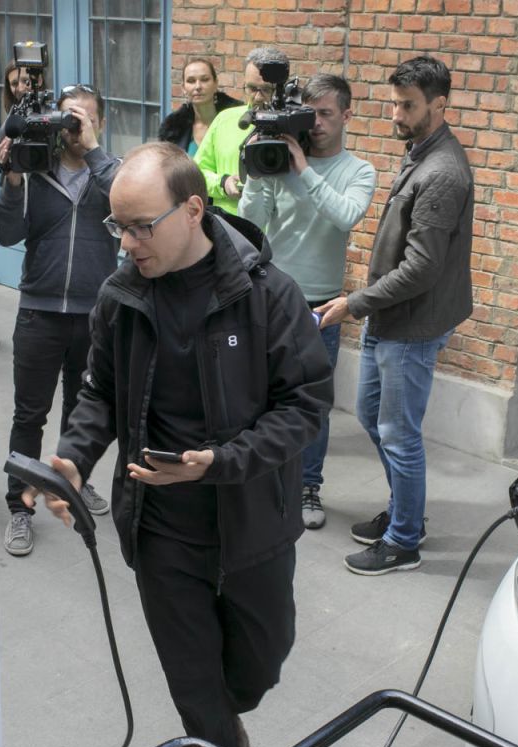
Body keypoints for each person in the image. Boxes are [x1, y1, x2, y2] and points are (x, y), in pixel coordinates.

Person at [25, 141, 332, 747]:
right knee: (196, 689)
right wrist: (74, 458)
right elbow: (99, 391)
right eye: (118, 226)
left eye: (141, 226)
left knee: (257, 670)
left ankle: (226, 729)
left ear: (193, 210)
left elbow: (305, 406)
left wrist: (221, 462)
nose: (126, 243)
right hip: (160, 530)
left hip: (253, 527)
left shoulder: (270, 296)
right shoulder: (120, 297)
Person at [317, 56, 474, 576]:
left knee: (399, 434)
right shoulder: (421, 153)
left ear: (439, 104)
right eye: (394, 103)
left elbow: (423, 268)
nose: (396, 114)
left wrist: (355, 303)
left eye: (407, 106)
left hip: (411, 326)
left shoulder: (442, 172)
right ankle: (405, 513)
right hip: (390, 317)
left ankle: (404, 540)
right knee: (372, 416)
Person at [239, 73, 376, 530]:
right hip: (272, 295)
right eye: (309, 114)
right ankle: (260, 479)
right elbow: (252, 223)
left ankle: (307, 485)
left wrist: (303, 169)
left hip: (321, 307)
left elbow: (345, 216)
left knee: (312, 403)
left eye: (325, 114)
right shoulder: (279, 161)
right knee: (258, 394)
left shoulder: (359, 171)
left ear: (346, 115)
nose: (315, 123)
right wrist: (258, 172)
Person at [0, 84, 119, 556]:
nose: (74, 128)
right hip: (39, 313)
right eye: (68, 118)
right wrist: (12, 180)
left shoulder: (112, 173)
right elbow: (6, 233)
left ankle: (73, 482)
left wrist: (94, 152)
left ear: (99, 124)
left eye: (85, 119)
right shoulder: (34, 170)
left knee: (80, 410)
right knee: (29, 414)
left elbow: (125, 204)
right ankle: (19, 507)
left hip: (93, 316)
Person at [193, 46, 288, 214]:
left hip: (276, 226)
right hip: (229, 226)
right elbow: (196, 173)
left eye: (266, 89)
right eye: (252, 88)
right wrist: (223, 183)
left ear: (282, 88)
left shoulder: (293, 126)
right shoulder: (225, 119)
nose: (258, 97)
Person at [158, 57, 242, 157]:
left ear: (215, 83)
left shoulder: (237, 121)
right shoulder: (173, 130)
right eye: (191, 81)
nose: (198, 86)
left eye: (205, 80)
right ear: (183, 88)